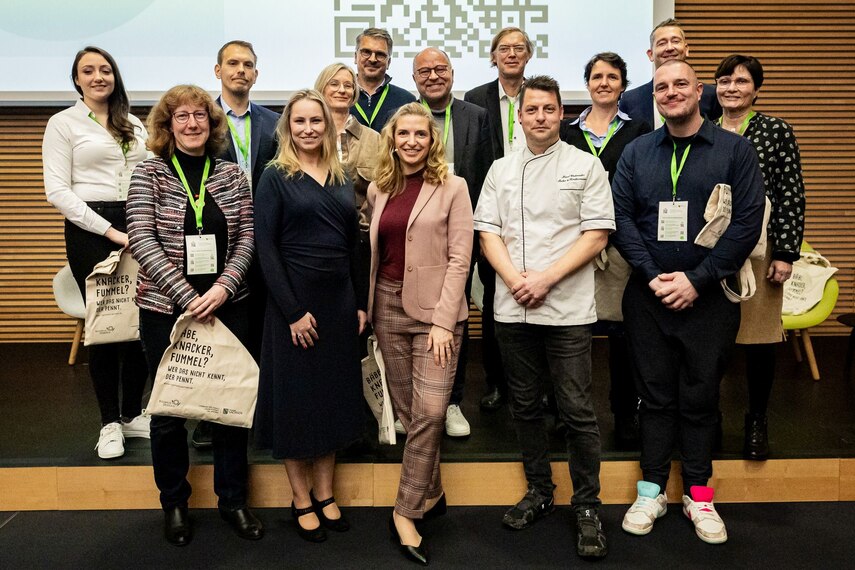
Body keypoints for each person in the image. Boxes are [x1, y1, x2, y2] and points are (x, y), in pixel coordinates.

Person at [613, 60, 764, 544]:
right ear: (653, 96)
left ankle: (699, 495)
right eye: (662, 87)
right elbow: (622, 219)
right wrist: (656, 277)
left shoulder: (735, 151)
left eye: (681, 84)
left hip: (711, 297)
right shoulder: (637, 152)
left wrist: (696, 280)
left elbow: (746, 222)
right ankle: (652, 488)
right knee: (653, 396)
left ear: (700, 91)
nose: (671, 92)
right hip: (648, 296)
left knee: (701, 397)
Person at [474, 75, 613, 559]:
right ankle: (540, 491)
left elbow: (596, 235)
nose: (539, 117)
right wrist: (516, 279)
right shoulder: (500, 170)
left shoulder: (586, 166)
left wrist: (545, 279)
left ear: (560, 114)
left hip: (567, 308)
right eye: (531, 110)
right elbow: (487, 232)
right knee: (525, 406)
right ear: (521, 115)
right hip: (513, 306)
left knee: (576, 411)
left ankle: (588, 505)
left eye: (548, 110)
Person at [126, 84, 262, 546]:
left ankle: (233, 500)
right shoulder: (149, 174)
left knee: (228, 408)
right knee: (168, 412)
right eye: (180, 117)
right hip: (166, 310)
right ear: (166, 127)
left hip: (229, 307)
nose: (191, 124)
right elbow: (142, 241)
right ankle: (175, 503)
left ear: (212, 122)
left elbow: (248, 238)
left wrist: (224, 288)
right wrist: (188, 297)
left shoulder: (231, 175)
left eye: (200, 115)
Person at [253, 89, 367, 543]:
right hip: (292, 307)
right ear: (287, 127)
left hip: (338, 305)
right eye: (298, 121)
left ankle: (325, 492)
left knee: (333, 400)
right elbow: (266, 248)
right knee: (296, 405)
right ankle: (300, 497)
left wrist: (359, 302)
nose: (307, 129)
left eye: (315, 121)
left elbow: (354, 243)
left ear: (328, 125)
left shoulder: (341, 174)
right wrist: (294, 312)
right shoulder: (274, 176)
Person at [367, 102, 473, 565]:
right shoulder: (378, 188)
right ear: (392, 138)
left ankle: (404, 511)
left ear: (433, 141)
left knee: (431, 411)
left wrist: (443, 321)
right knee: (411, 413)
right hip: (386, 307)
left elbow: (459, 258)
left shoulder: (453, 186)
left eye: (421, 135)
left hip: (436, 314)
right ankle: (431, 489)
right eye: (403, 134)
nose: (412, 141)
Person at [42, 46, 150, 460]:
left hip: (137, 221)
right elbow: (58, 191)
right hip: (92, 229)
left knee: (141, 321)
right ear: (76, 79)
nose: (98, 76)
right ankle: (108, 423)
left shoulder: (133, 123)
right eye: (88, 70)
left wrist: (139, 227)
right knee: (105, 328)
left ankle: (132, 414)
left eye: (105, 69)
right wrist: (109, 231)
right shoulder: (62, 123)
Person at [714, 54, 806, 460]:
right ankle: (708, 421)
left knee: (759, 341)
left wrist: (785, 252)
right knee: (710, 343)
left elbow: (791, 193)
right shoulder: (703, 129)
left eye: (741, 81)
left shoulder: (776, 131)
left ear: (756, 88)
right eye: (724, 80)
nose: (731, 88)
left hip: (759, 250)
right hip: (709, 250)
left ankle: (756, 421)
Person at [559, 52, 651, 449]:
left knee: (623, 334)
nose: (603, 83)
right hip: (572, 243)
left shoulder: (641, 131)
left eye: (612, 77)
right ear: (587, 82)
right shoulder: (566, 132)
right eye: (596, 76)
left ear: (622, 85)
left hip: (621, 245)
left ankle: (624, 414)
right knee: (568, 333)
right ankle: (569, 414)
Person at [193, 39, 281, 450]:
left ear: (256, 74)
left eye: (248, 64)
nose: (240, 70)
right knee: (218, 327)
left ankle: (259, 409)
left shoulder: (273, 122)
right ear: (218, 71)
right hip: (215, 238)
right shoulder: (200, 120)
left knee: (261, 324)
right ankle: (211, 415)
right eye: (232, 63)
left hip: (266, 236)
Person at [412, 47, 492, 437]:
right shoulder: (405, 119)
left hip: (463, 232)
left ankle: (452, 401)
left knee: (454, 315)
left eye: (439, 69)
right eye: (424, 71)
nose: (433, 76)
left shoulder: (476, 116)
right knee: (415, 314)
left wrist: (481, 235)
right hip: (416, 234)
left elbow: (486, 176)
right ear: (414, 79)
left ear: (452, 73)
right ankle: (418, 402)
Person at [464, 26, 533, 411]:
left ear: (528, 55)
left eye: (518, 48)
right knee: (492, 299)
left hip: (536, 212)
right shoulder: (476, 99)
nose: (511, 54)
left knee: (534, 296)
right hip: (491, 210)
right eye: (503, 49)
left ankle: (532, 385)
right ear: (493, 56)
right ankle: (496, 383)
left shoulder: (538, 95)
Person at [315, 62, 380, 288]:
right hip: (317, 243)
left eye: (348, 85)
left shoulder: (374, 140)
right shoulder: (307, 137)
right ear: (321, 89)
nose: (342, 90)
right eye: (334, 84)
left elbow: (382, 193)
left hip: (363, 245)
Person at [620, 18, 721, 130]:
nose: (669, 48)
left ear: (686, 49)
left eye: (675, 41)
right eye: (662, 43)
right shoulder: (630, 100)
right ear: (651, 54)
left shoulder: (711, 95)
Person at [351, 28, 416, 133]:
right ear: (355, 57)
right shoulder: (340, 97)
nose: (372, 59)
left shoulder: (406, 101)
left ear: (389, 62)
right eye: (366, 52)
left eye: (380, 54)